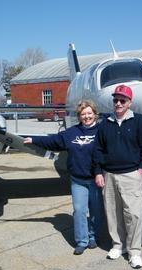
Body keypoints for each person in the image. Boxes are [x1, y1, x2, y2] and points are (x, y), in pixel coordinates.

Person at [24, 100, 104, 255]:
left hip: (96, 179)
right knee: (79, 210)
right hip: (78, 180)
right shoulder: (71, 133)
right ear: (79, 116)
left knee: (96, 210)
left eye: (89, 113)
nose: (86, 116)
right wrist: (34, 139)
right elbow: (53, 140)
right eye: (83, 114)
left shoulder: (102, 132)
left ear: (95, 114)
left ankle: (93, 236)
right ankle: (82, 241)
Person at [94, 84, 142, 269]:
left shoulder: (139, 121)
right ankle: (118, 246)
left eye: (122, 100)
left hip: (131, 175)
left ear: (129, 103)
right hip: (109, 175)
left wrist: (141, 170)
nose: (118, 103)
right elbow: (97, 150)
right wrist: (98, 171)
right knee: (113, 214)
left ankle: (134, 251)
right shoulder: (105, 123)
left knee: (134, 215)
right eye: (115, 100)